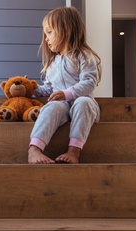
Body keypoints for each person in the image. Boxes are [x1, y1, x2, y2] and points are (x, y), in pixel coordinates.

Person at [28, 6, 102, 164]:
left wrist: (67, 93)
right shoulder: (53, 63)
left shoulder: (83, 55)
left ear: (66, 30)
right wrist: (32, 89)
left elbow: (89, 82)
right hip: (62, 106)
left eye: (49, 32)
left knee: (83, 102)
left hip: (84, 104)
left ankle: (74, 151)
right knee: (51, 107)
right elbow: (49, 89)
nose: (46, 38)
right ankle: (34, 149)